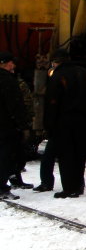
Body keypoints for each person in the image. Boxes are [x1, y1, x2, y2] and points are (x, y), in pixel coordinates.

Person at [43, 48, 86, 199]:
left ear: (56, 62)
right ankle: (78, 185)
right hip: (82, 119)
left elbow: (52, 102)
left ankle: (69, 188)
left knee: (66, 155)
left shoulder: (57, 75)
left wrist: (49, 125)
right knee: (79, 153)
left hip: (63, 120)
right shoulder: (84, 73)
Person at [0, 51, 30, 200]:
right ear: (5, 63)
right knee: (5, 155)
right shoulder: (8, 80)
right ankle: (1, 188)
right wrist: (23, 124)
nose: (14, 65)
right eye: (11, 62)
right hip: (6, 125)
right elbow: (15, 105)